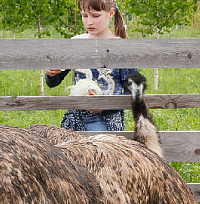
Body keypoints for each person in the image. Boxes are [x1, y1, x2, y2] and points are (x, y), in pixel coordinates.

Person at [45, 0, 135, 131]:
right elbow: (54, 82)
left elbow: (131, 92)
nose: (89, 22)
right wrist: (51, 74)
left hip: (105, 122)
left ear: (110, 13)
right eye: (84, 15)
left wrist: (104, 106)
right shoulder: (76, 43)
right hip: (73, 119)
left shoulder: (122, 48)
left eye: (95, 16)